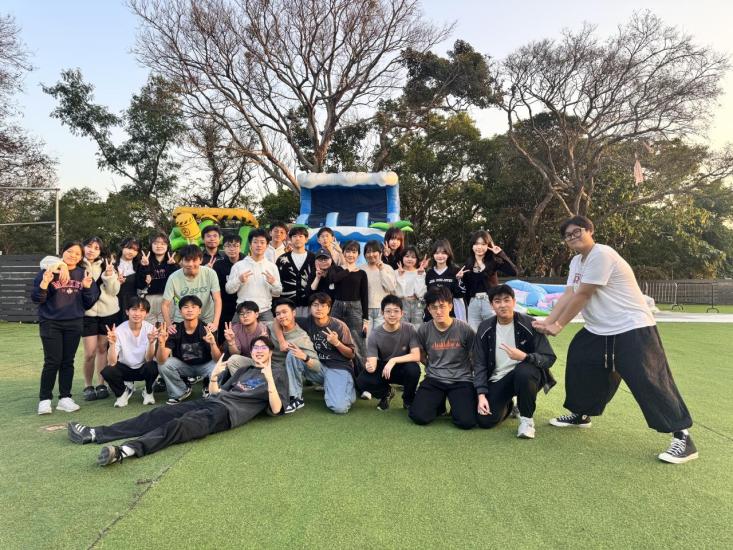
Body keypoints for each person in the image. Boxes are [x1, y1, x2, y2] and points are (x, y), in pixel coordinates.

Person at [532, 215, 697, 464]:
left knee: (649, 379)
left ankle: (682, 436)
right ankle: (581, 414)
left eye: (577, 232)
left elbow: (584, 295)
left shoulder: (602, 254)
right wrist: (548, 321)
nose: (573, 238)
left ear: (590, 231)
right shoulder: (576, 262)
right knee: (581, 360)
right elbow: (568, 295)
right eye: (567, 236)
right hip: (598, 330)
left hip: (632, 327)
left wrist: (558, 325)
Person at [66, 336, 289, 466]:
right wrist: (214, 377)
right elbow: (217, 393)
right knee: (158, 414)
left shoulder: (278, 373)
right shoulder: (244, 370)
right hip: (212, 402)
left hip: (226, 414)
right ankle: (95, 433)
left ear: (270, 352)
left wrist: (269, 377)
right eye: (256, 347)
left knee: (180, 426)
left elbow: (277, 408)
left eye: (263, 348)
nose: (259, 351)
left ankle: (125, 450)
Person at [473, 284, 556, 439]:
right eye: (497, 301)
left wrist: (525, 357)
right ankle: (509, 405)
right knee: (485, 421)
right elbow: (479, 363)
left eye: (507, 300)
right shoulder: (485, 327)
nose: (502, 305)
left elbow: (549, 357)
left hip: (526, 375)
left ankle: (527, 421)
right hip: (498, 379)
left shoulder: (530, 324)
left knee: (524, 371)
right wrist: (481, 394)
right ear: (491, 305)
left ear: (514, 301)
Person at [32, 241, 100, 414]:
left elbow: (88, 303)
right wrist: (45, 283)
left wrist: (86, 288)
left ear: (81, 257)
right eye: (70, 251)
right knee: (52, 361)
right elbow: (37, 298)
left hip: (74, 322)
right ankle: (45, 399)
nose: (73, 255)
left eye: (77, 253)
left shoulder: (83, 273)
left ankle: (65, 398)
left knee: (67, 361)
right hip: (50, 322)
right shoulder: (49, 269)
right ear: (62, 251)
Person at [274, 292, 356, 414]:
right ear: (310, 308)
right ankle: (296, 397)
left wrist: (337, 343)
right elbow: (277, 320)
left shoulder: (339, 326)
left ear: (329, 308)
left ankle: (346, 388)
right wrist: (282, 342)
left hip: (337, 367)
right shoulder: (306, 322)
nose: (319, 309)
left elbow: (351, 354)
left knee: (340, 408)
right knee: (293, 354)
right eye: (315, 305)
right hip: (317, 367)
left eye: (323, 305)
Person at [409, 286, 476, 429]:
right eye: (434, 307)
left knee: (466, 422)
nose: (438, 311)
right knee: (419, 417)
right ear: (428, 309)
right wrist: (430, 364)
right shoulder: (424, 330)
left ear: (450, 306)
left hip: (461, 379)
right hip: (434, 378)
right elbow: (420, 353)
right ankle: (438, 405)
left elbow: (475, 356)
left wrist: (467, 371)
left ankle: (456, 404)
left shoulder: (464, 329)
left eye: (442, 306)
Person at [357, 295, 421, 411]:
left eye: (396, 311)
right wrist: (370, 366)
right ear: (382, 313)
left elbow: (416, 356)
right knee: (363, 380)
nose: (392, 314)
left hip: (403, 368)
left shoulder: (409, 329)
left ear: (402, 313)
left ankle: (408, 400)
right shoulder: (375, 334)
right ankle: (386, 393)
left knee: (414, 369)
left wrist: (393, 360)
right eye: (388, 311)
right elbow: (372, 362)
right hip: (385, 369)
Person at [157, 295, 223, 404]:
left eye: (193, 307)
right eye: (186, 307)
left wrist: (213, 344)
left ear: (199, 311)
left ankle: (209, 386)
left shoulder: (207, 329)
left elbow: (217, 359)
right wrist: (161, 343)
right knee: (164, 365)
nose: (190, 310)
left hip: (205, 365)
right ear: (180, 311)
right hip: (184, 365)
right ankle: (180, 391)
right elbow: (161, 360)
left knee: (220, 365)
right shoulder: (175, 330)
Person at [79, 237, 120, 401]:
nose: (92, 250)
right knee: (89, 353)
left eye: (96, 248)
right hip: (87, 314)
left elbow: (114, 291)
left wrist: (109, 275)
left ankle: (101, 383)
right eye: (89, 246)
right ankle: (88, 385)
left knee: (103, 349)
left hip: (108, 312)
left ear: (100, 251)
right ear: (83, 247)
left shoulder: (107, 265)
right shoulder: (76, 264)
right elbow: (48, 262)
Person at [100, 297, 159, 408]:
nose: (137, 313)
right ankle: (122, 392)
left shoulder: (151, 329)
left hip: (143, 367)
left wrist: (151, 342)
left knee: (153, 366)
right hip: (125, 368)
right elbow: (112, 362)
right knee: (107, 371)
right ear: (127, 311)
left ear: (146, 313)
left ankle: (148, 391)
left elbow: (149, 359)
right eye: (134, 309)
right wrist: (112, 344)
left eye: (142, 310)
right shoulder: (118, 331)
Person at [269, 298, 322, 413]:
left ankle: (296, 397)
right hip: (270, 367)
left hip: (286, 371)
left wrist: (304, 357)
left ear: (293, 313)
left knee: (293, 354)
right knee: (235, 360)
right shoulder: (271, 326)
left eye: (285, 312)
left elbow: (317, 366)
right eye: (278, 314)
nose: (281, 316)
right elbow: (274, 321)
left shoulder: (302, 337)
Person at [460, 230, 517, 330]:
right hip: (473, 303)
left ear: (488, 245)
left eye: (483, 244)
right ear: (472, 246)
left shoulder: (493, 261)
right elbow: (466, 286)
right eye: (476, 244)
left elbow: (513, 272)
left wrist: (500, 253)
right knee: (473, 334)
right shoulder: (468, 263)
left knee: (494, 332)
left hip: (490, 302)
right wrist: (459, 278)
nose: (479, 247)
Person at [161, 244, 222, 334]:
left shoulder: (210, 273)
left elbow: (217, 299)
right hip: (182, 318)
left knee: (209, 341)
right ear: (181, 261)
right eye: (187, 260)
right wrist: (169, 325)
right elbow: (165, 305)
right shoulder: (173, 277)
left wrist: (215, 323)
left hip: (206, 317)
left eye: (194, 260)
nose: (190, 264)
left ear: (201, 260)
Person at [226, 228, 282, 322]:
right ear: (250, 245)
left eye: (262, 242)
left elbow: (277, 293)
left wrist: (273, 282)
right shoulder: (238, 265)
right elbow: (229, 290)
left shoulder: (272, 267)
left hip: (264, 312)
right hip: (243, 311)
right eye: (255, 242)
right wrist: (239, 280)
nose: (259, 245)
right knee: (233, 331)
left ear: (267, 245)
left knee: (270, 331)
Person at [329, 240, 369, 359]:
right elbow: (334, 279)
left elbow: (364, 296)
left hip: (355, 308)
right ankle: (337, 363)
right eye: (348, 251)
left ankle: (361, 368)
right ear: (343, 253)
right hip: (337, 306)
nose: (351, 254)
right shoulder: (336, 269)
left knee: (357, 340)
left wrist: (365, 319)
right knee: (335, 335)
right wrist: (348, 269)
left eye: (354, 252)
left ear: (358, 254)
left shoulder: (361, 273)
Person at [136, 233, 179, 324]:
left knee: (166, 327)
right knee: (149, 327)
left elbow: (176, 282)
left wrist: (172, 266)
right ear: (151, 245)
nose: (159, 246)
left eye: (163, 244)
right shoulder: (145, 261)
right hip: (149, 299)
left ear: (167, 246)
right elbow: (139, 284)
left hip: (167, 299)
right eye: (155, 243)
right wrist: (143, 267)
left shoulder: (172, 261)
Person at [276, 225, 316, 316]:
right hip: (287, 305)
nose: (297, 239)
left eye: (301, 236)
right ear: (290, 239)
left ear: (306, 239)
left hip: (309, 304)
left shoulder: (314, 258)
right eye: (294, 236)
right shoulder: (282, 259)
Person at [424, 239, 466, 322]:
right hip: (433, 315)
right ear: (433, 255)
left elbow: (460, 294)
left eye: (443, 253)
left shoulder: (455, 271)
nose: (440, 256)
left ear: (448, 254)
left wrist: (458, 279)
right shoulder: (429, 273)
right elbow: (427, 295)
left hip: (451, 314)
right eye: (437, 253)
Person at [212, 233, 245, 338]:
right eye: (228, 246)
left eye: (235, 245)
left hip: (244, 303)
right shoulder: (218, 265)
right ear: (223, 248)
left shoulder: (247, 262)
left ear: (240, 247)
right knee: (225, 333)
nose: (232, 249)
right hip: (225, 305)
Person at [222, 301, 269, 373]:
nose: (245, 316)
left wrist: (261, 343)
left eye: (248, 312)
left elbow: (265, 356)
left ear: (256, 314)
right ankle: (239, 380)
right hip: (245, 361)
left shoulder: (263, 329)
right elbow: (235, 354)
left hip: (261, 362)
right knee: (232, 360)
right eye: (241, 314)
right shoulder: (235, 329)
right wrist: (231, 342)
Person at [362, 239, 397, 333]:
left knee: (381, 337)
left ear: (380, 253)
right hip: (365, 310)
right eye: (368, 252)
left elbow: (391, 287)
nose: (371, 254)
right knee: (366, 339)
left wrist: (381, 269)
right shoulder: (361, 269)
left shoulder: (387, 268)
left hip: (383, 309)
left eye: (374, 251)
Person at [395, 245, 428, 327]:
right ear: (402, 257)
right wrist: (400, 276)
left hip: (417, 304)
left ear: (417, 259)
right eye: (407, 256)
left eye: (413, 257)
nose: (410, 259)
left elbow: (420, 294)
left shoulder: (421, 272)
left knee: (417, 328)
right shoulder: (396, 272)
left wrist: (420, 275)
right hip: (401, 303)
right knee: (402, 328)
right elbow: (399, 293)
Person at [114, 237, 141, 323]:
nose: (131, 252)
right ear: (122, 247)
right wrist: (115, 282)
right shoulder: (112, 265)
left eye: (135, 250)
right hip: (114, 303)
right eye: (129, 248)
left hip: (132, 304)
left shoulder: (139, 266)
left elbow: (141, 285)